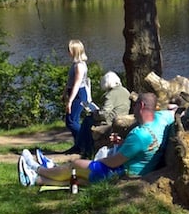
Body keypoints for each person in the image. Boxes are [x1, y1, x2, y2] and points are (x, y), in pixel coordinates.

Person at [18, 92, 175, 188]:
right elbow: (175, 112)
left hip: (124, 174)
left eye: (134, 106)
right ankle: (36, 179)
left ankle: (38, 169)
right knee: (79, 177)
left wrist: (99, 161)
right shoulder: (163, 118)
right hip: (142, 171)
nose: (133, 110)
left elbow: (114, 163)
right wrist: (122, 144)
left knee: (77, 165)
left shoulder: (140, 135)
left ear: (141, 105)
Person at [77, 71, 131, 158]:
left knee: (87, 120)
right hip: (123, 118)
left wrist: (95, 113)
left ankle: (85, 149)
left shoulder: (110, 95)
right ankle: (83, 148)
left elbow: (104, 114)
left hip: (111, 121)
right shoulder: (125, 91)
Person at [63, 39, 92, 154]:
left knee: (71, 121)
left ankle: (86, 143)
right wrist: (65, 91)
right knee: (71, 120)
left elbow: (77, 84)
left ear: (75, 51)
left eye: (69, 50)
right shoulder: (75, 64)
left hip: (78, 94)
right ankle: (78, 146)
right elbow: (70, 82)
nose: (68, 52)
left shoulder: (79, 66)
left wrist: (70, 101)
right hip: (74, 93)